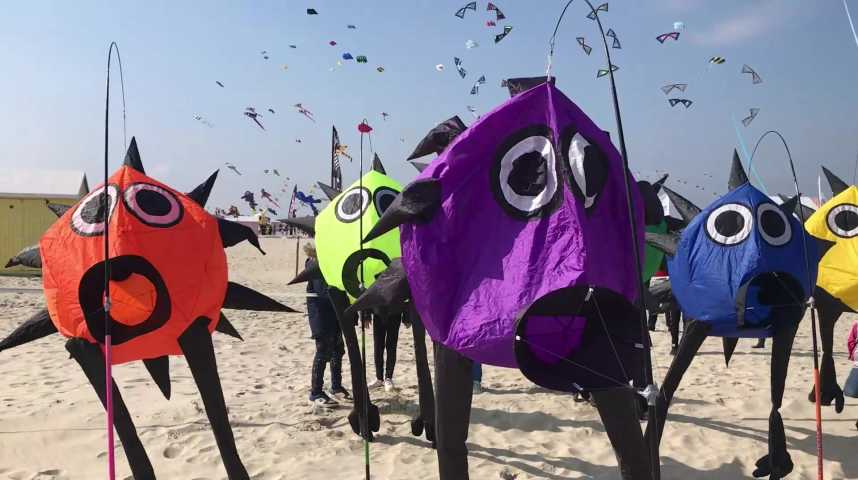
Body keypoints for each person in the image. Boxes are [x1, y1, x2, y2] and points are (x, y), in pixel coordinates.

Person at [304, 243, 350, 406]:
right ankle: (316, 392)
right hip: (321, 314)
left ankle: (336, 386)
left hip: (334, 312)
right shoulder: (314, 264)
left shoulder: (330, 261)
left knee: (338, 349)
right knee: (323, 351)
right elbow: (325, 291)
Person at [368, 309, 402, 392]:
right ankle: (379, 378)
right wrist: (366, 315)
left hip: (395, 312)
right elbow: (368, 296)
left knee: (391, 347)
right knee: (378, 347)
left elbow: (405, 297)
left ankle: (388, 378)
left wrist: (407, 317)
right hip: (378, 313)